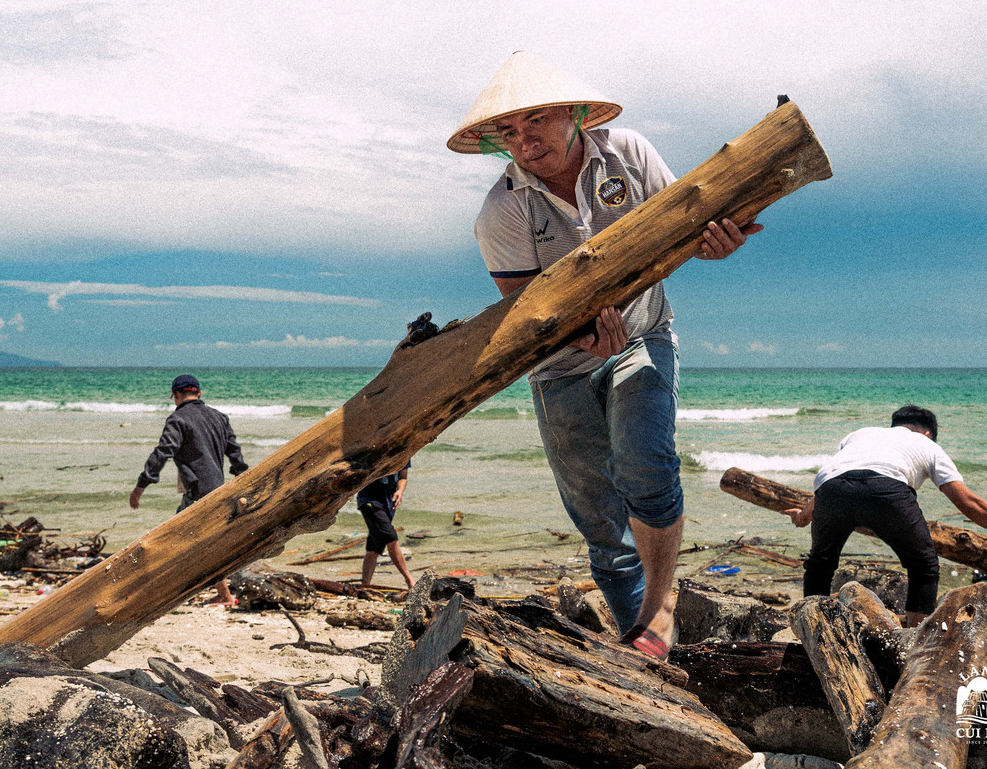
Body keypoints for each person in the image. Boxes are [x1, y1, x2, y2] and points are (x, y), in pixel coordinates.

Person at [447, 51, 761, 659]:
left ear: (574, 113)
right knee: (599, 520)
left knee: (646, 462)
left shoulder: (629, 153)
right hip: (559, 367)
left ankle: (659, 610)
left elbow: (683, 231)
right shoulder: (503, 209)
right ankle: (640, 641)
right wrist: (580, 340)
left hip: (644, 334)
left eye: (535, 118)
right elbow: (525, 311)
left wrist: (716, 246)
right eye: (508, 131)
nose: (523, 139)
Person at [785, 405, 987, 626]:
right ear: (928, 433)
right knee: (924, 564)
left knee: (819, 563)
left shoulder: (860, 434)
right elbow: (967, 502)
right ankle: (915, 640)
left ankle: (815, 630)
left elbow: (836, 476)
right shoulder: (925, 443)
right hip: (885, 491)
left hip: (831, 491)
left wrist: (803, 517)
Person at [129, 373, 249, 605]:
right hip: (219, 489)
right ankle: (221, 593)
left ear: (175, 395)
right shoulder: (220, 417)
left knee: (176, 538)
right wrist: (243, 479)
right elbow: (235, 454)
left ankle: (163, 591)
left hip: (197, 492)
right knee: (203, 541)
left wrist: (141, 485)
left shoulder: (178, 420)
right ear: (199, 393)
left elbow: (163, 452)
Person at [357, 462, 415, 589]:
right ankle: (410, 581)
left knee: (374, 547)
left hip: (389, 502)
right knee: (391, 538)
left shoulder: (406, 448)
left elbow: (403, 477)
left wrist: (400, 491)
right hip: (369, 500)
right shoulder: (376, 445)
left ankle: (365, 584)